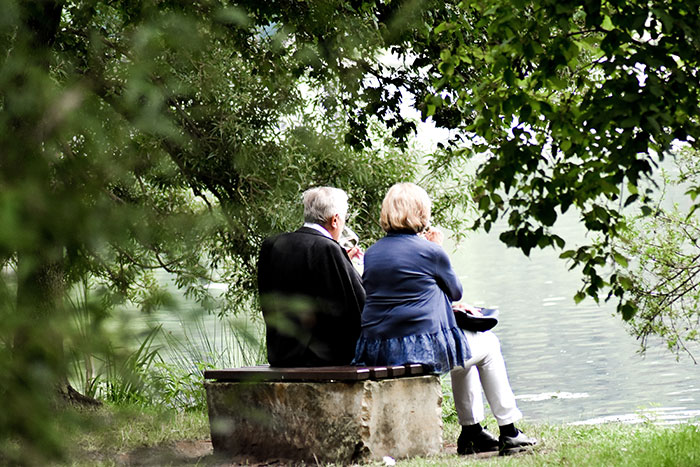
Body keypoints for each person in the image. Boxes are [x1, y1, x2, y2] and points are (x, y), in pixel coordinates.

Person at [353, 182, 537, 455]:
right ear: (420, 212)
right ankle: (509, 430)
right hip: (418, 350)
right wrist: (438, 248)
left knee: (465, 352)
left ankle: (472, 431)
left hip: (379, 348)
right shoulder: (430, 251)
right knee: (488, 345)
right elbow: (455, 291)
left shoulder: (373, 253)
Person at [257, 186, 365, 367]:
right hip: (323, 358)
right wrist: (355, 269)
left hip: (281, 354)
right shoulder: (328, 249)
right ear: (335, 220)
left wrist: (344, 261)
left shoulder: (271, 245)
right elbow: (356, 305)